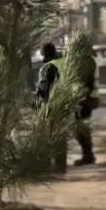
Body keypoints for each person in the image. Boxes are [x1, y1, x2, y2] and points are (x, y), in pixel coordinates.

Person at [34, 42, 68, 172]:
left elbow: (43, 88)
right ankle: (60, 165)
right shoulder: (64, 63)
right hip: (64, 103)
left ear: (44, 54)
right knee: (60, 134)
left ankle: (46, 165)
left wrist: (36, 103)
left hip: (51, 105)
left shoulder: (48, 67)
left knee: (47, 134)